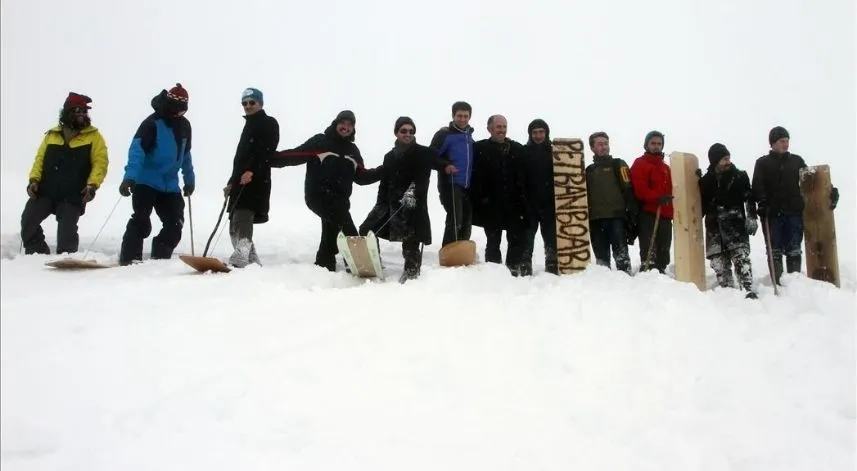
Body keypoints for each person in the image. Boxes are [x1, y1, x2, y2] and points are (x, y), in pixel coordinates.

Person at [269, 110, 382, 271]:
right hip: (318, 196)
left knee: (331, 228)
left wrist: (384, 171)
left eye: (350, 125)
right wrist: (267, 158)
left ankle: (324, 263)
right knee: (346, 226)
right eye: (343, 123)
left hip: (341, 202)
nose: (346, 127)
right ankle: (360, 262)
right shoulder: (321, 141)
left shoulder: (353, 151)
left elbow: (362, 177)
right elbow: (294, 155)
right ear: (336, 123)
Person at [358, 117, 448, 282]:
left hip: (413, 203)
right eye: (404, 131)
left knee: (411, 239)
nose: (408, 134)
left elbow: (422, 178)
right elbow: (384, 183)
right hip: (389, 203)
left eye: (411, 131)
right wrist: (380, 203)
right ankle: (373, 263)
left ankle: (411, 271)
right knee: (366, 229)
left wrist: (411, 193)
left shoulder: (423, 153)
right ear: (396, 133)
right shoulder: (389, 156)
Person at [20, 92, 109, 255]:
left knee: (67, 230)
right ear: (67, 112)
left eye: (84, 111)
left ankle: (66, 258)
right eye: (77, 110)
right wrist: (33, 180)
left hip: (74, 193)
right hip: (45, 191)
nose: (82, 114)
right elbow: (39, 160)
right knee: (28, 220)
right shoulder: (52, 135)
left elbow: (100, 163)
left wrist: (92, 185)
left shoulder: (95, 137)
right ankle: (36, 253)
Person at [118, 83, 195, 265]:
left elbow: (185, 154)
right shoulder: (152, 123)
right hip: (146, 181)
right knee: (141, 220)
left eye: (182, 110)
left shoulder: (185, 126)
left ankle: (160, 258)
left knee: (175, 224)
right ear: (168, 104)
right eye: (175, 108)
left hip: (170, 185)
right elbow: (137, 151)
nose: (178, 113)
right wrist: (130, 177)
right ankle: (129, 258)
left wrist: (189, 179)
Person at [751, 126, 839, 284]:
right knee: (775, 250)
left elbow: (812, 181)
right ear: (773, 143)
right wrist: (762, 202)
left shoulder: (796, 161)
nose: (786, 144)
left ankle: (794, 284)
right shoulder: (763, 163)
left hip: (793, 212)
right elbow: (757, 186)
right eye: (782, 141)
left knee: (794, 249)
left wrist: (829, 191)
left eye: (787, 141)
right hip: (773, 214)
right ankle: (778, 283)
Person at [222, 87, 280, 268]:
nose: (248, 106)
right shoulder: (248, 125)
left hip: (257, 178)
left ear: (260, 103)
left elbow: (266, 151)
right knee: (234, 219)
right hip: (241, 179)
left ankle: (241, 256)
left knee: (243, 214)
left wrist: (252, 171)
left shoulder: (269, 122)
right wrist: (231, 181)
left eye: (252, 102)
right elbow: (239, 159)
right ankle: (252, 261)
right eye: (245, 103)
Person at [470, 114, 530, 275]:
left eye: (504, 127)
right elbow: (474, 175)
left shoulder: (517, 148)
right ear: (490, 129)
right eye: (498, 127)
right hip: (491, 204)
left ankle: (513, 270)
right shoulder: (480, 148)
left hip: (514, 204)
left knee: (516, 240)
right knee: (493, 241)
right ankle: (494, 273)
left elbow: (526, 175)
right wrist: (481, 198)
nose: (501, 130)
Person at [699, 143, 758, 298]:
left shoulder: (739, 176)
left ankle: (748, 289)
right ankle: (728, 295)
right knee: (719, 264)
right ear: (715, 161)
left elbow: (749, 198)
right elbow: (701, 207)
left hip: (735, 226)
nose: (727, 162)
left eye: (728, 158)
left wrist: (752, 216)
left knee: (741, 260)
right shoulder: (705, 182)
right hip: (714, 230)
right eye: (724, 159)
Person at [585, 131, 638, 274]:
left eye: (606, 143)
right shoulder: (588, 171)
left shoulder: (618, 165)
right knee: (601, 262)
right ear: (592, 148)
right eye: (600, 144)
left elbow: (629, 190)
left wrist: (632, 215)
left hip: (617, 218)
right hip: (595, 220)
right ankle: (604, 290)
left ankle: (628, 284)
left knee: (622, 259)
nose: (604, 147)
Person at [429, 101, 472, 247]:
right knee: (455, 219)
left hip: (466, 185)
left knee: (467, 220)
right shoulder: (444, 134)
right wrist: (445, 165)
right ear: (453, 115)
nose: (462, 119)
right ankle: (448, 251)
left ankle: (462, 252)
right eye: (459, 116)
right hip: (450, 183)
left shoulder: (469, 137)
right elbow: (431, 156)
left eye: (466, 116)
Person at [629, 130, 673, 273]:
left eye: (659, 143)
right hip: (648, 212)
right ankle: (648, 273)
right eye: (653, 143)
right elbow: (640, 189)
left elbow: (677, 187)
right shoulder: (640, 163)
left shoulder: (667, 168)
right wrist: (656, 198)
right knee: (649, 249)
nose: (656, 146)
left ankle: (661, 272)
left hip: (665, 213)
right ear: (646, 145)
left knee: (664, 250)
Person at [521, 119, 558, 275]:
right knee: (526, 240)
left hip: (549, 204)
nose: (538, 135)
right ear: (530, 134)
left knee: (551, 240)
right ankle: (524, 267)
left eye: (541, 132)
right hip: (529, 204)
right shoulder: (523, 152)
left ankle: (552, 268)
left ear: (546, 133)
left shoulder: (555, 152)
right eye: (534, 132)